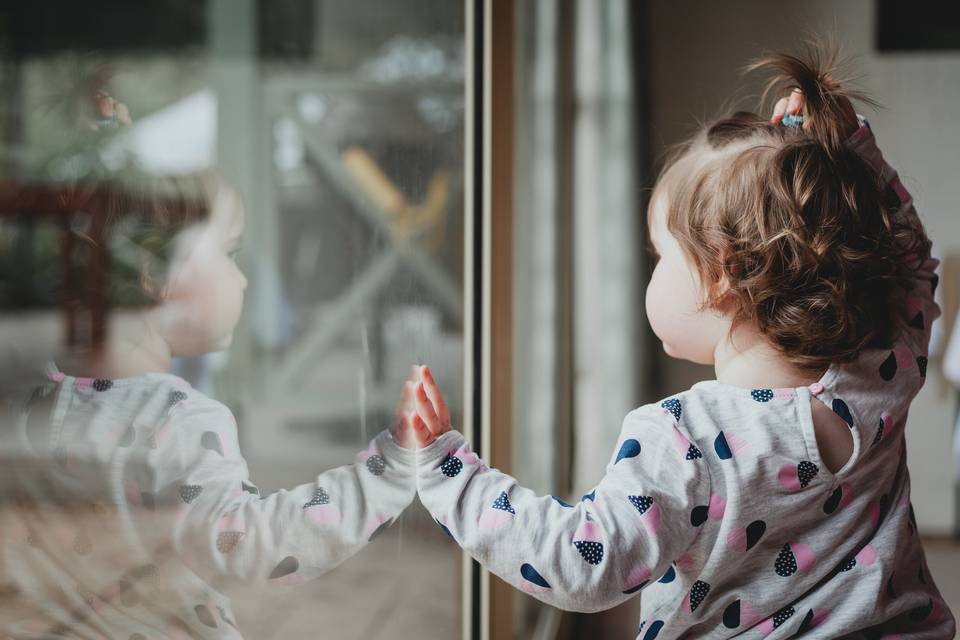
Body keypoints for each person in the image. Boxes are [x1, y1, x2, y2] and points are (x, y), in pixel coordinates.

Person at [407, 45, 956, 639]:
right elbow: (914, 263)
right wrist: (855, 154)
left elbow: (582, 563)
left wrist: (451, 475)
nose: (652, 270)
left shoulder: (686, 439)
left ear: (720, 276)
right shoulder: (882, 368)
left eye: (660, 255)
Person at [0, 91, 418, 639]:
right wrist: (390, 470)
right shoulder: (179, 419)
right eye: (232, 252)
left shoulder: (28, 403)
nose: (242, 279)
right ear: (156, 273)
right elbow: (253, 547)